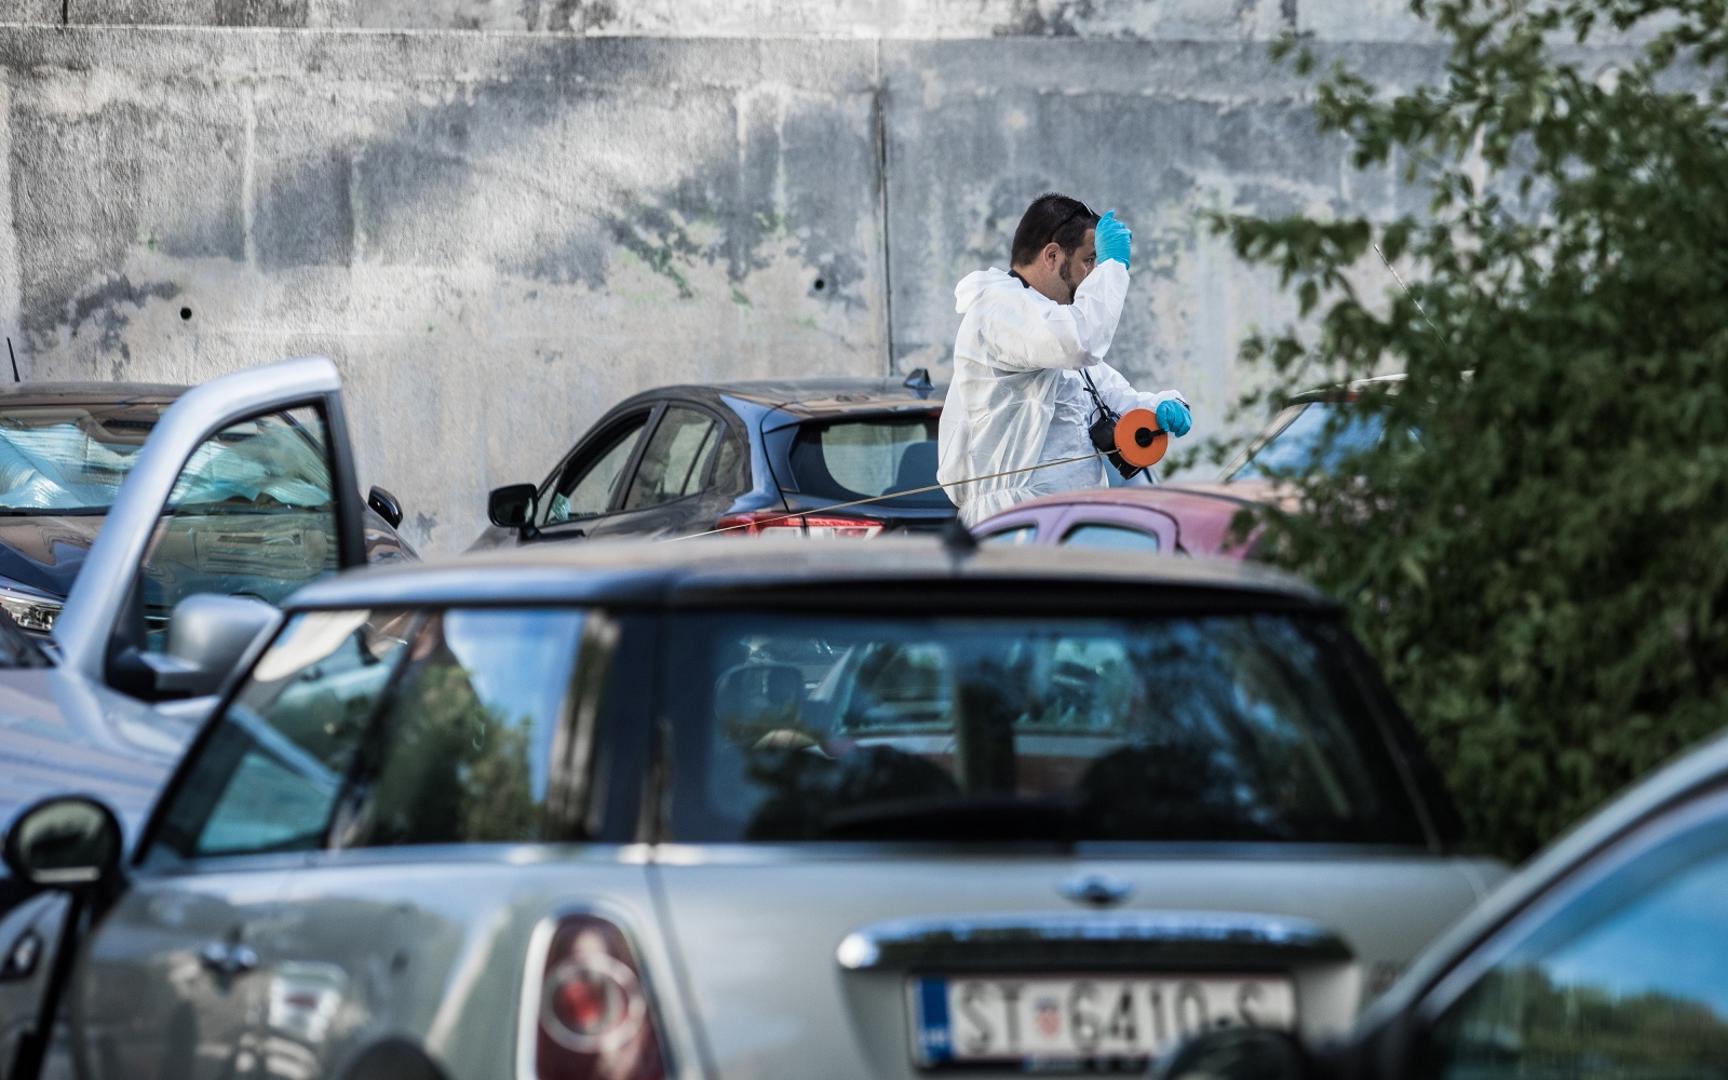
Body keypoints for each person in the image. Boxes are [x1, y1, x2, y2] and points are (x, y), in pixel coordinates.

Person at [936, 193, 1192, 526]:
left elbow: (1117, 397)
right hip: (1011, 525)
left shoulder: (1051, 332)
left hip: (1064, 525)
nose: (1093, 274)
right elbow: (1081, 342)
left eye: (1099, 263)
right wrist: (1114, 267)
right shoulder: (999, 308)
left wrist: (1162, 406)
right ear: (1053, 255)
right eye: (1089, 260)